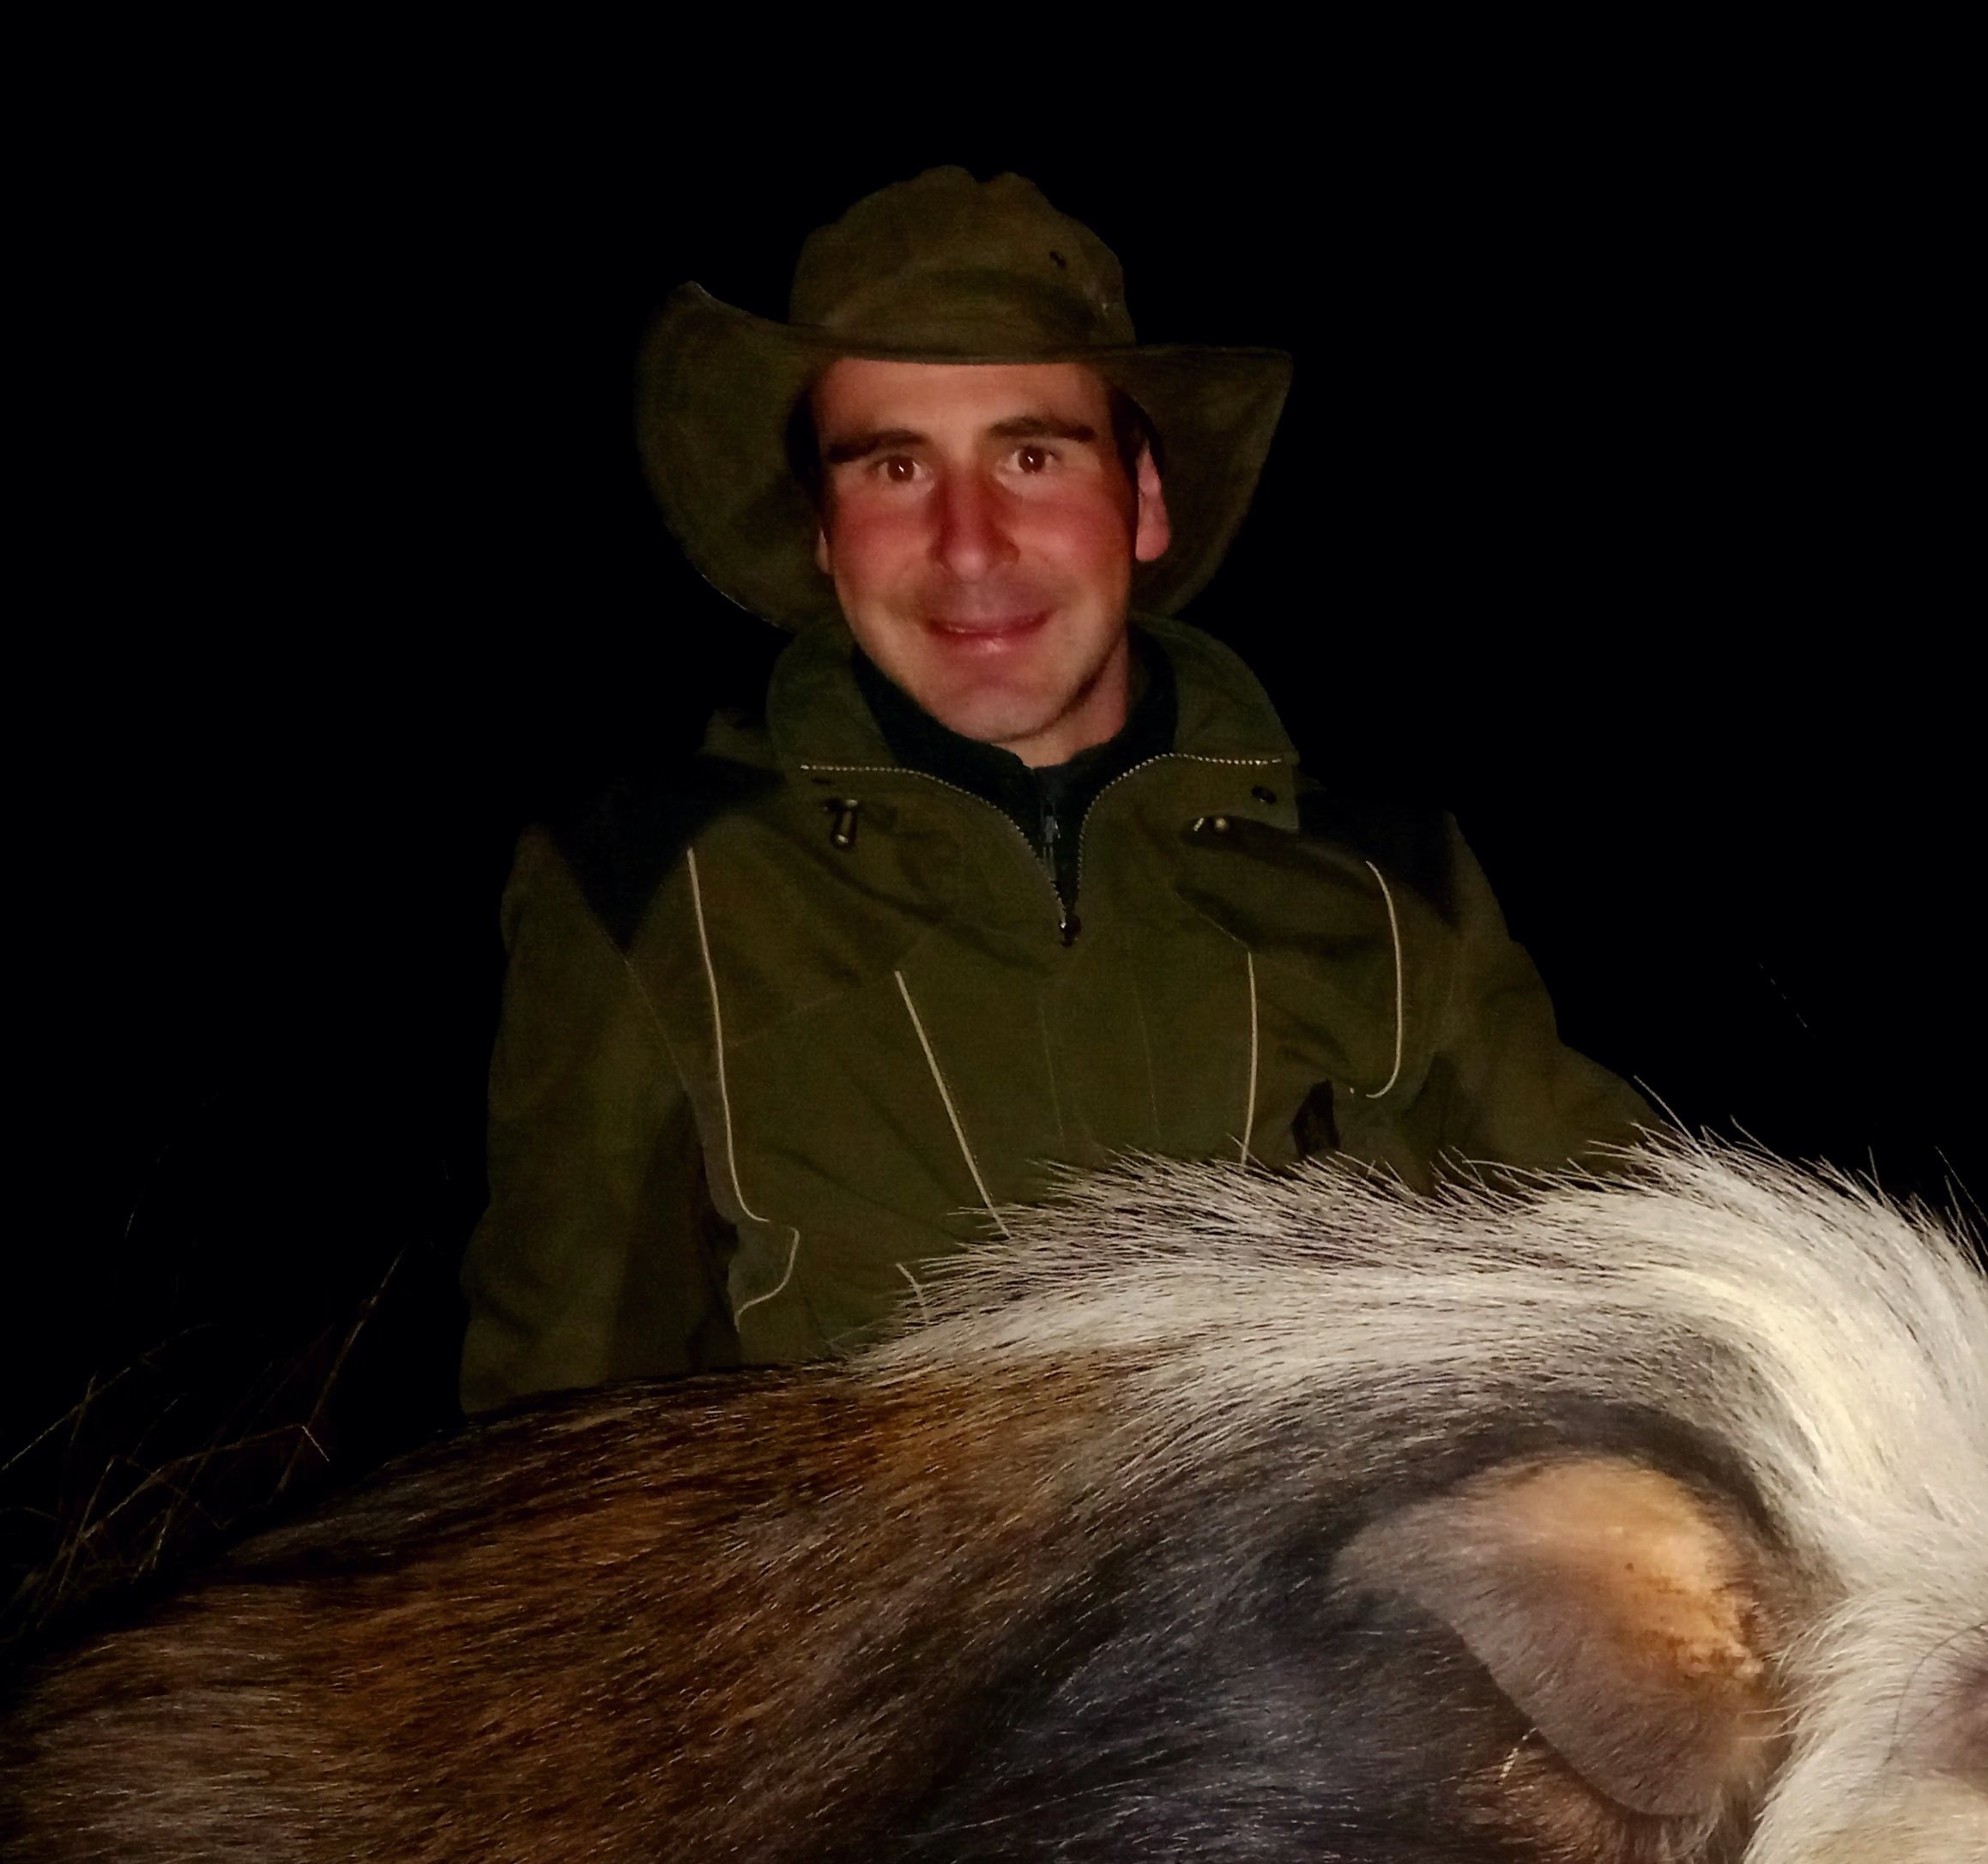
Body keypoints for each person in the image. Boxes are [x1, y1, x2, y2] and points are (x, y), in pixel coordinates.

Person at [459, 169, 1648, 1412]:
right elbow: (547, 1437)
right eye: (893, 469)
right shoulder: (646, 886)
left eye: (1031, 454)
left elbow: (1629, 1253)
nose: (968, 544)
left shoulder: (1392, 878)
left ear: (1139, 502)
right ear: (824, 533)